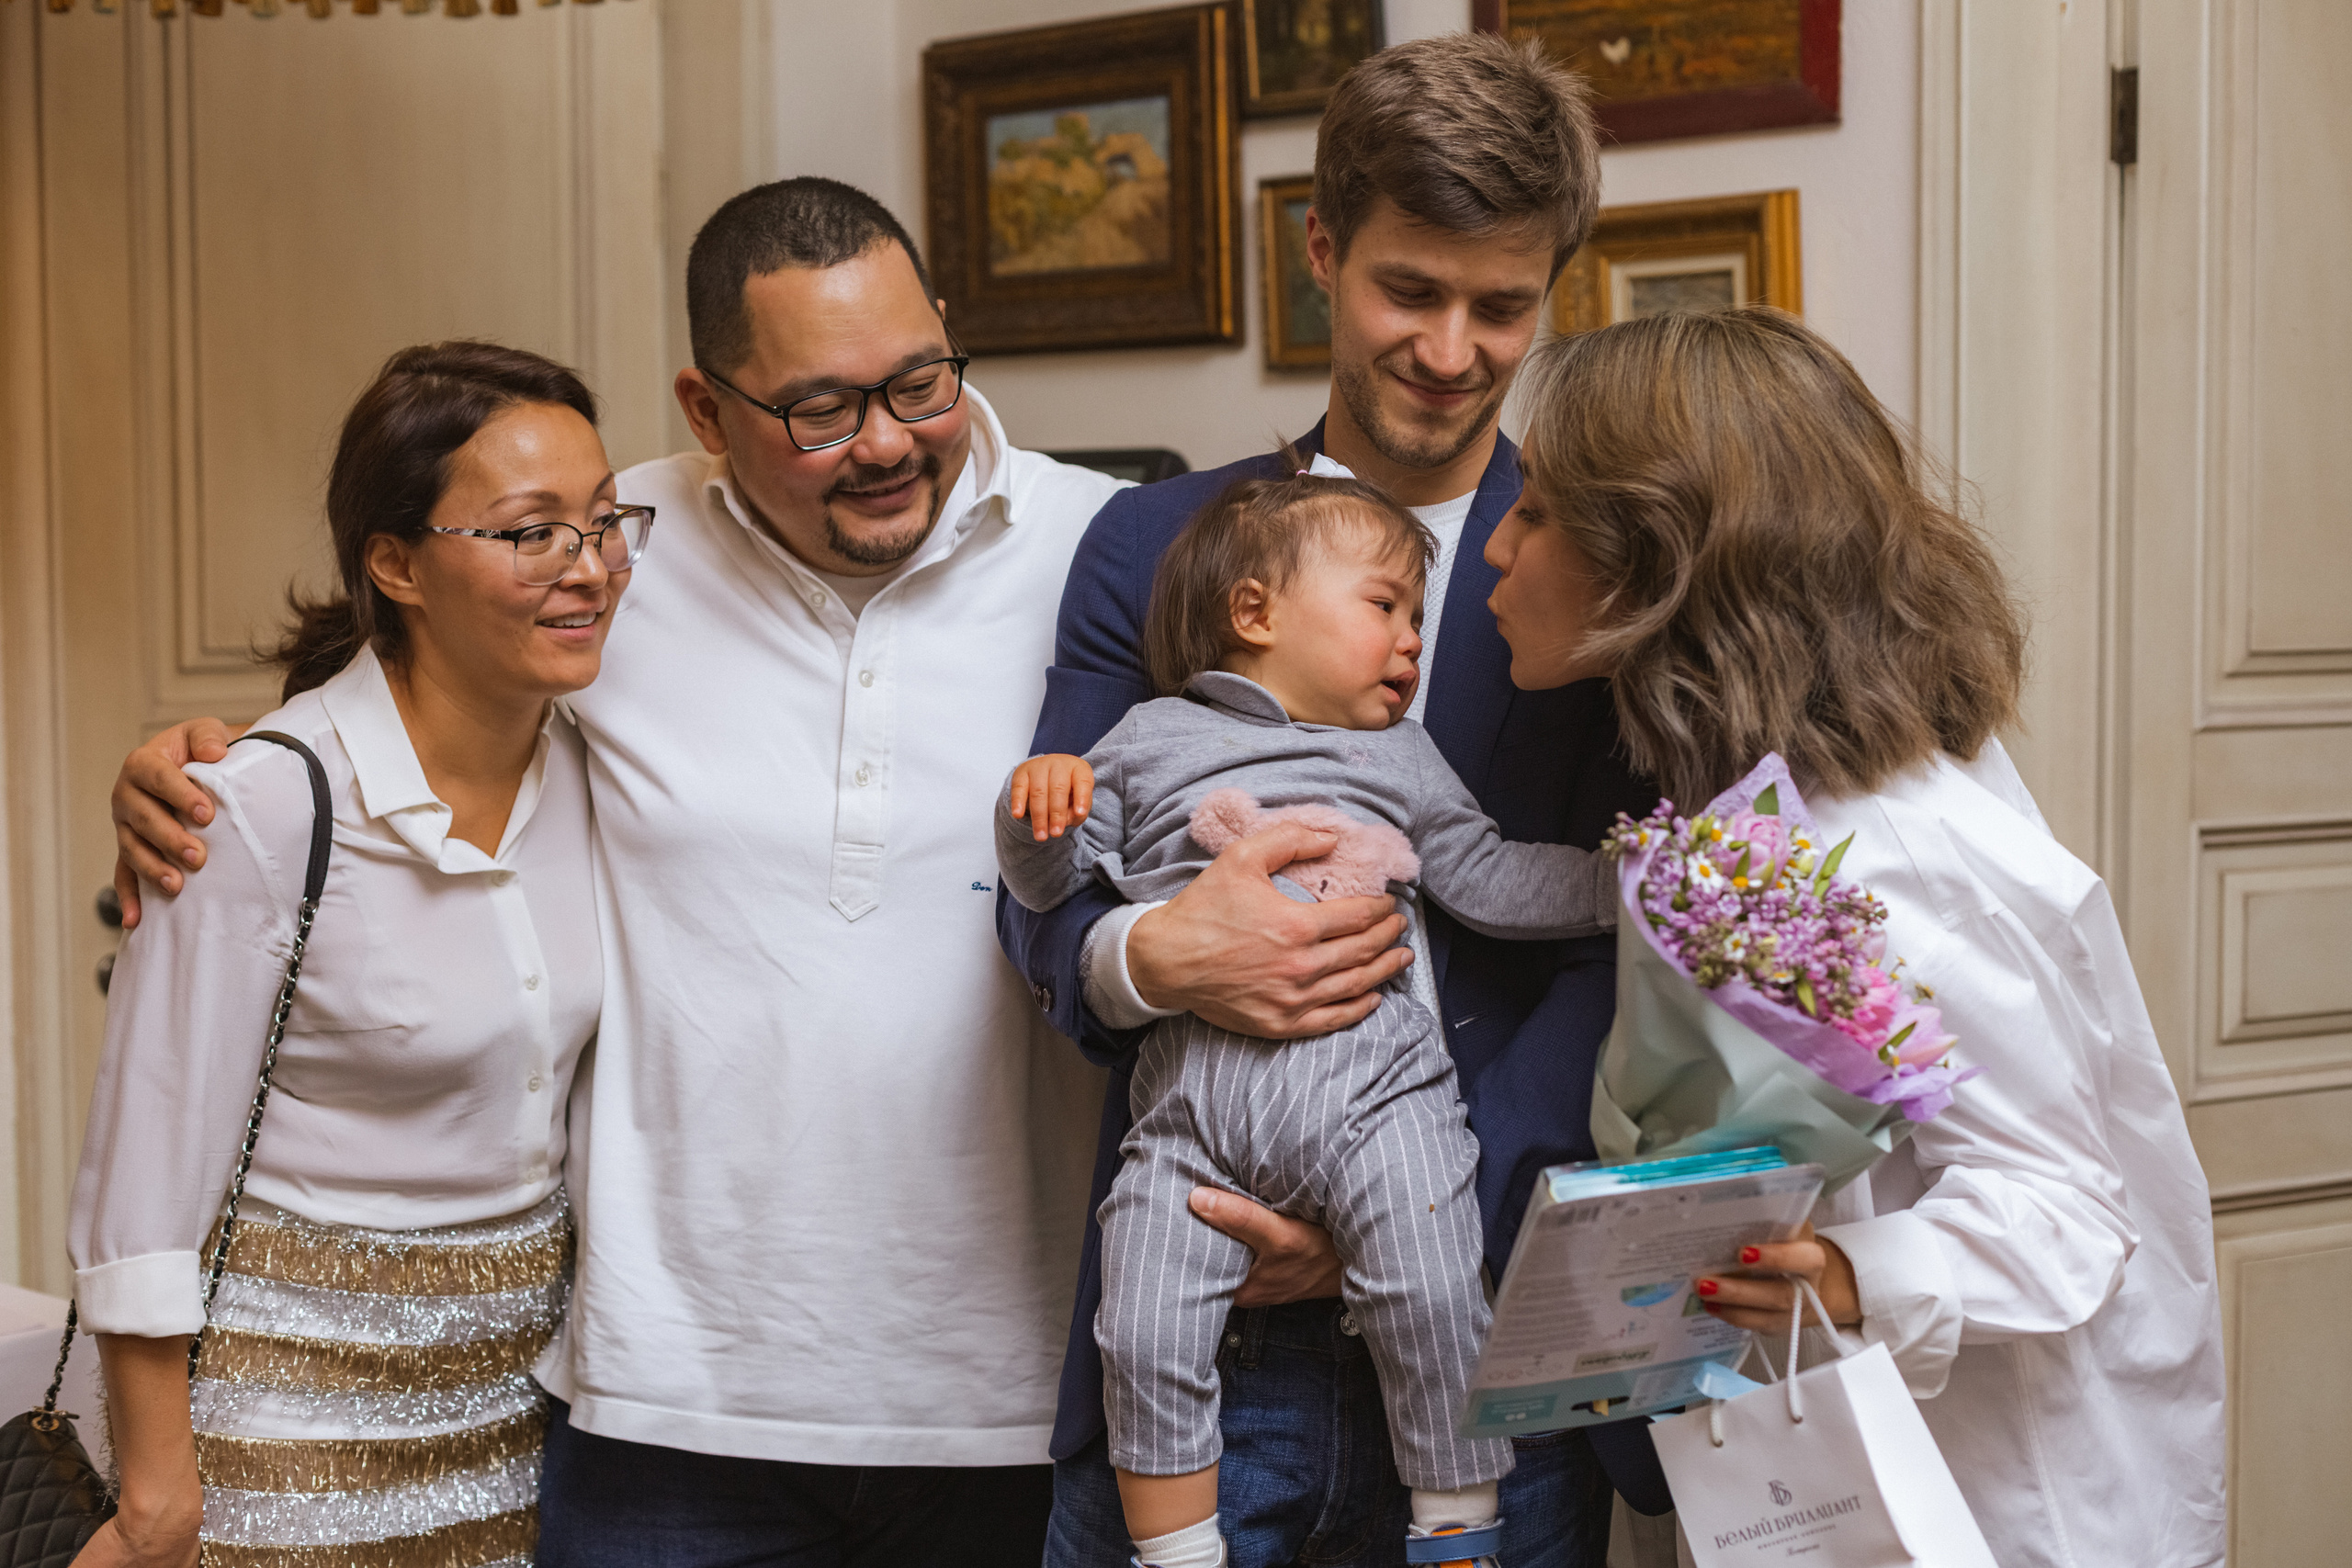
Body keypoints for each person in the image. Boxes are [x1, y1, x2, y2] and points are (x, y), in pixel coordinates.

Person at [102, 179, 1156, 1567]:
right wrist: (185, 769)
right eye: (821, 410)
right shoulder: (609, 551)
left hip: (1012, 1402)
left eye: (919, 381)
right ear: (708, 412)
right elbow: (395, 702)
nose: (888, 442)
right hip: (661, 1408)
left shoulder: (1113, 549)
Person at [996, 32, 1664, 1568]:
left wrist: (1405, 1209)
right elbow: (1058, 874)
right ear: (1320, 252)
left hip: (1489, 1320)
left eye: (1503, 305)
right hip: (1207, 1328)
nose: (1450, 347)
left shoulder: (1612, 552)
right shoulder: (1156, 541)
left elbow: (1622, 923)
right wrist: (1151, 953)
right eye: (1408, 291)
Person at [1484, 306, 2227, 1567]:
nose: (1498, 544)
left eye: (1540, 509)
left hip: (2015, 1505)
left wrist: (1845, 1272)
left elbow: (2064, 1207)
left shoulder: (1894, 848)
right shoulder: (1749, 822)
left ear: (1657, 556)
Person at [70, 342, 639, 1568]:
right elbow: (145, 1169)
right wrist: (161, 1494)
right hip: (283, 1428)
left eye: (604, 519)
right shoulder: (265, 804)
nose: (589, 565)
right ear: (396, 563)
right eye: (532, 530)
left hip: (513, 1417)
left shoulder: (605, 770)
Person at [999, 468, 1622, 1568]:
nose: (1411, 642)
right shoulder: (1145, 739)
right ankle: (1176, 1552)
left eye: (1418, 620)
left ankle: (1458, 1532)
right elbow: (1052, 888)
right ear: (1255, 614)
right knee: (1139, 1326)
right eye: (1384, 607)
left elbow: (1489, 878)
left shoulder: (1404, 758)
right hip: (1190, 1114)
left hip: (1381, 1099)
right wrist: (1037, 809)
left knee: (1436, 1296)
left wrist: (1638, 882)